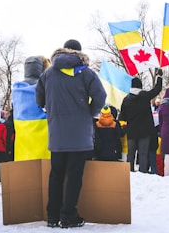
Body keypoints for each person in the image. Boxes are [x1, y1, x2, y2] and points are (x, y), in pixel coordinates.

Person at [36, 39, 106, 229]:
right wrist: (90, 112)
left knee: (56, 174)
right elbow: (101, 96)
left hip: (57, 134)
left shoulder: (48, 73)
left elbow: (39, 99)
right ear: (79, 53)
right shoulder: (85, 72)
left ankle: (52, 216)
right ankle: (68, 216)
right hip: (80, 135)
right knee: (74, 175)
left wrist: (50, 109)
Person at [119, 70, 163, 173]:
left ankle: (130, 171)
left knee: (131, 153)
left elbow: (122, 117)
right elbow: (157, 89)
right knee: (143, 153)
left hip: (131, 131)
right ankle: (143, 171)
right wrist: (159, 77)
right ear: (140, 86)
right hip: (145, 131)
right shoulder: (145, 96)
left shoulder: (126, 99)